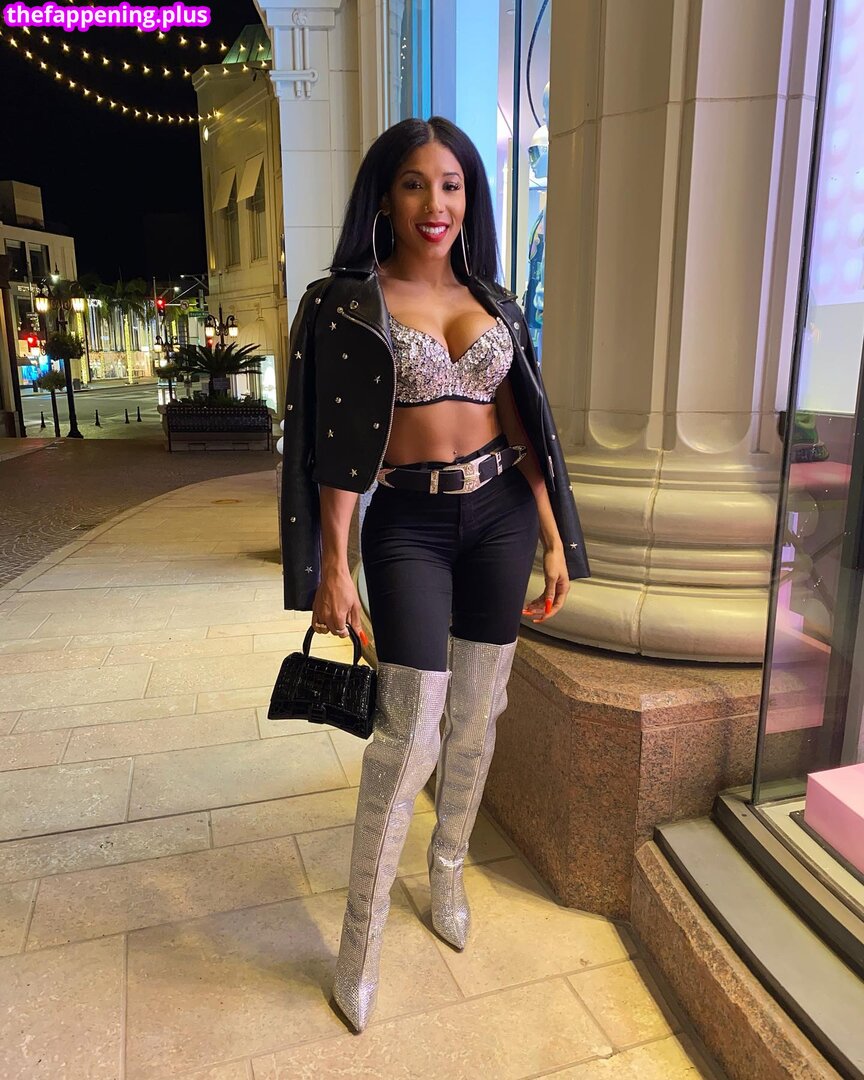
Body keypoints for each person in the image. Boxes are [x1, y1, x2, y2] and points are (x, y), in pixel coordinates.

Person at [279, 116, 590, 1034]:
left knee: (480, 713)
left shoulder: (494, 300)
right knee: (406, 733)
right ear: (386, 195)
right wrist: (334, 566)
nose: (435, 202)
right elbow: (334, 446)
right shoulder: (348, 303)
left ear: (469, 198)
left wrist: (551, 533)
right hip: (408, 522)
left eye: (451, 184)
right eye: (415, 183)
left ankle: (447, 868)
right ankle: (359, 943)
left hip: (500, 514)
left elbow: (523, 420)